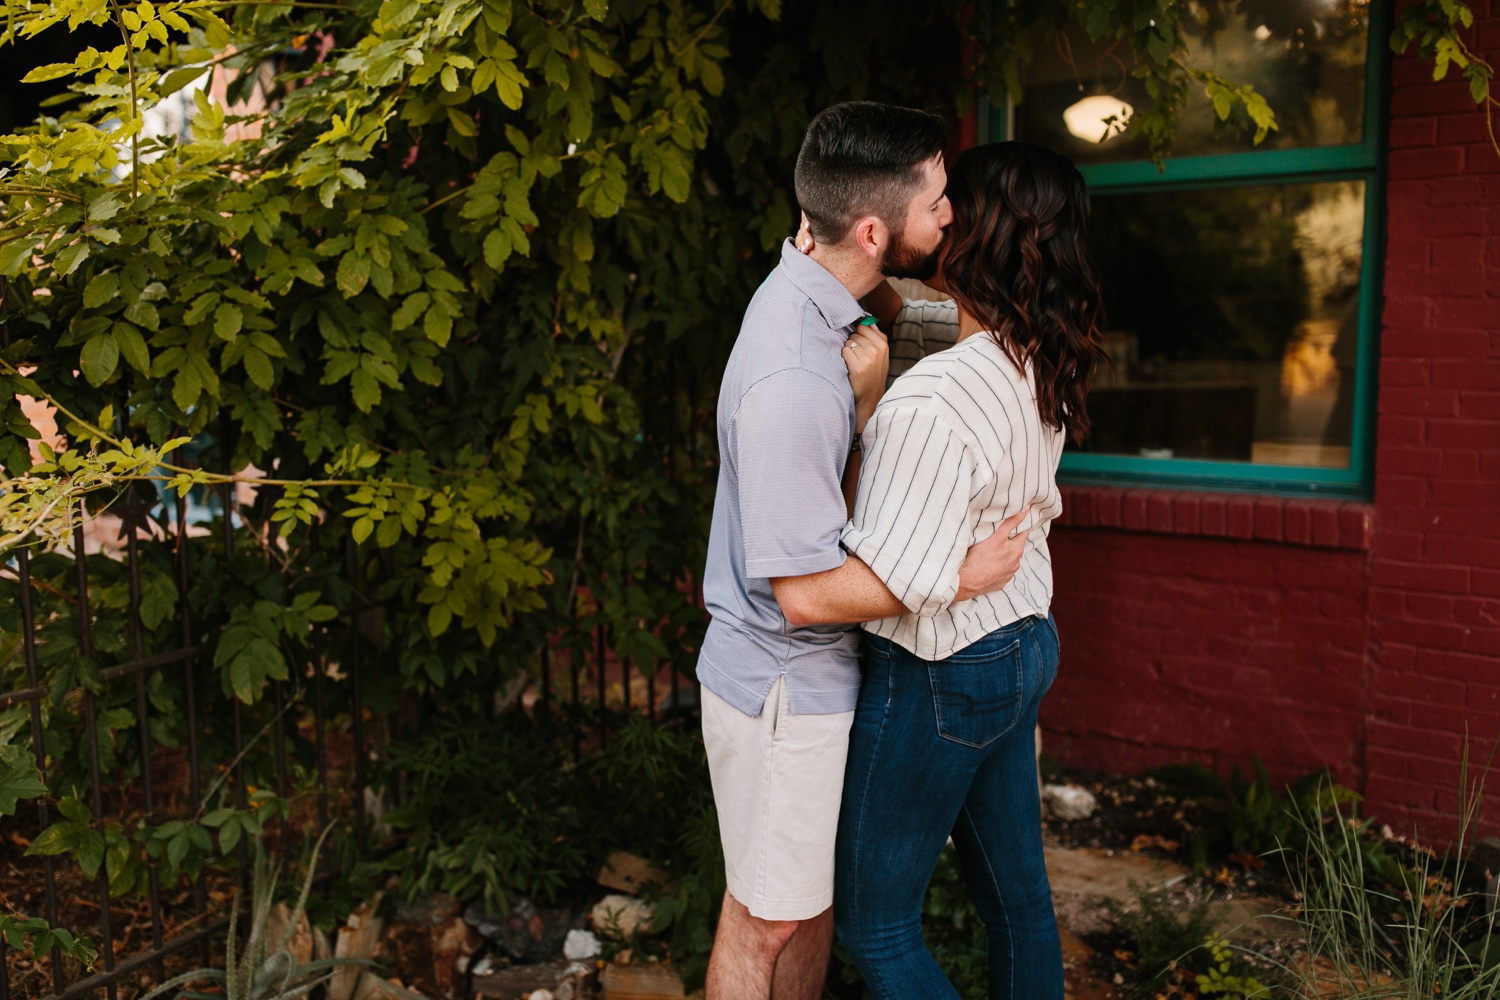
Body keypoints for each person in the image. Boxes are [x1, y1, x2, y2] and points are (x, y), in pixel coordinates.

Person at [696, 103, 1032, 1000]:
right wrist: (957, 577)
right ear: (876, 232)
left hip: (810, 679)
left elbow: (921, 315)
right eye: (937, 202)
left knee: (804, 911)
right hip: (782, 681)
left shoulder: (825, 293)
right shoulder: (796, 379)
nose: (953, 214)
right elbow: (804, 594)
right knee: (765, 919)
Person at [831, 141, 1108, 1000]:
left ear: (977, 229)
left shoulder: (928, 400)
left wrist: (867, 405)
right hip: (1023, 643)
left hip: (939, 669)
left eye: (949, 202)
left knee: (875, 927)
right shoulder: (1035, 353)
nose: (936, 213)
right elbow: (916, 315)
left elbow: (888, 578)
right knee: (1017, 904)